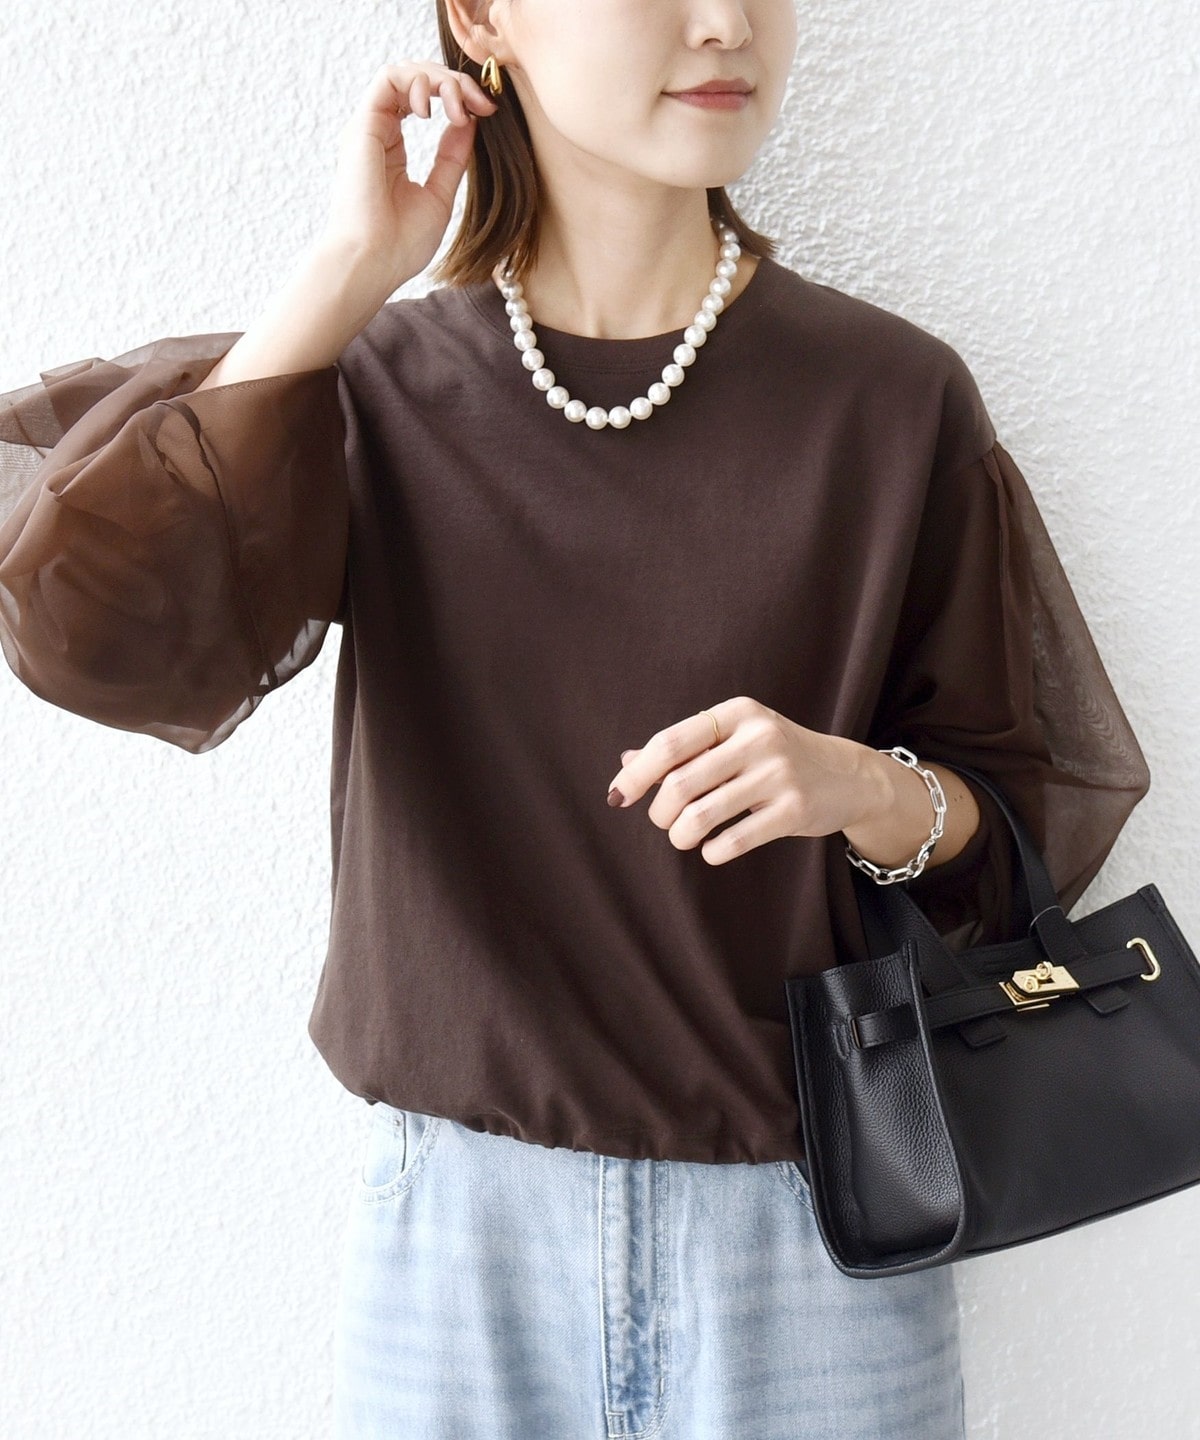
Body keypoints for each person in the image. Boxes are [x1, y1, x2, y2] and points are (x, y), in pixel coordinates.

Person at [0, 1, 1150, 1436]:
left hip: (813, 1245)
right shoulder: (378, 391)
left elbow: (1018, 830)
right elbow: (91, 637)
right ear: (484, 18)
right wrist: (350, 266)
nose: (724, 23)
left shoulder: (889, 398)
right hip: (461, 1246)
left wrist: (857, 787)